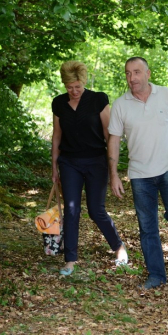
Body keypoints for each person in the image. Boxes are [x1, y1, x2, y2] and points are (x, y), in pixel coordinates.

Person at [108, 57, 168, 289]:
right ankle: (156, 274)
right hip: (140, 174)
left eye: (137, 72)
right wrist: (114, 174)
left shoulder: (167, 95)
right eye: (128, 73)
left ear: (148, 74)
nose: (132, 78)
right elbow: (114, 140)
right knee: (147, 226)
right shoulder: (120, 104)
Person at [51, 60, 127, 276]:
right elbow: (57, 136)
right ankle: (70, 260)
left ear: (84, 82)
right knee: (72, 210)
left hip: (96, 162)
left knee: (96, 210)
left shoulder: (98, 100)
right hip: (69, 163)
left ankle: (119, 247)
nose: (74, 91)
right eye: (69, 87)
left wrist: (113, 170)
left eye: (78, 87)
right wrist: (54, 167)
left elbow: (109, 134)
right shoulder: (58, 103)